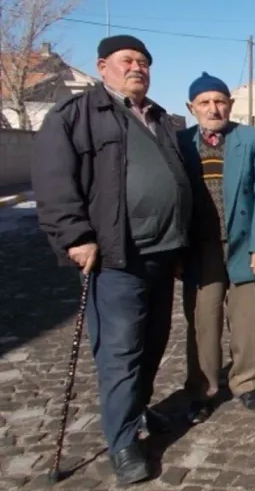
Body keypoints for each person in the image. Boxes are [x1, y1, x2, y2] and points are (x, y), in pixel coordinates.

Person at [31, 35, 193, 484]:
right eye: (128, 61)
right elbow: (53, 181)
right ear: (103, 66)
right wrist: (76, 237)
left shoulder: (159, 118)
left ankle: (139, 411)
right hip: (117, 259)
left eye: (144, 62)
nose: (138, 68)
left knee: (154, 343)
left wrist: (179, 244)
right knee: (121, 352)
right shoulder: (76, 116)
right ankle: (122, 443)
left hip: (162, 254)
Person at [178, 72, 255, 423]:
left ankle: (246, 382)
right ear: (192, 108)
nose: (213, 108)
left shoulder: (252, 140)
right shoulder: (179, 143)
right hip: (200, 249)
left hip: (244, 244)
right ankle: (201, 390)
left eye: (220, 101)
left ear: (230, 105)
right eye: (204, 102)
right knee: (203, 322)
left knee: (247, 319)